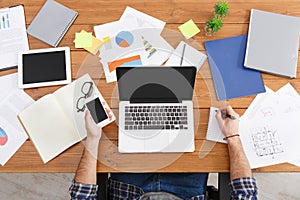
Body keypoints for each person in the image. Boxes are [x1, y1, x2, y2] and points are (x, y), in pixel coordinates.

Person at [69, 105, 258, 199]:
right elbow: (246, 194)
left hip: (130, 183)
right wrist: (232, 136)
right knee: (196, 104)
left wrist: (93, 139)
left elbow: (82, 196)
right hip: (187, 186)